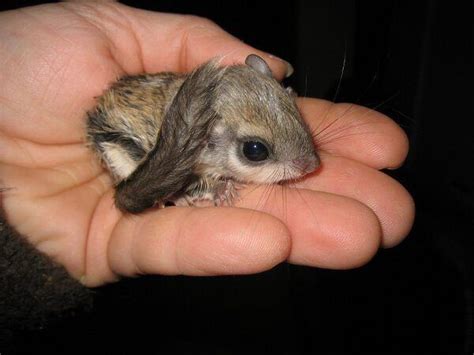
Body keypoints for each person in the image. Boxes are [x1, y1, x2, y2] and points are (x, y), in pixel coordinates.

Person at [0, 2, 414, 289]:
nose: (306, 166)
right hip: (123, 135)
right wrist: (197, 187)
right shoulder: (198, 145)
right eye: (257, 152)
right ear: (209, 139)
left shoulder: (237, 111)